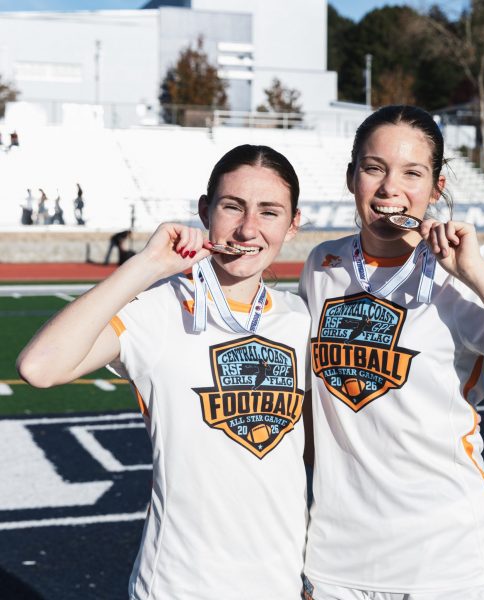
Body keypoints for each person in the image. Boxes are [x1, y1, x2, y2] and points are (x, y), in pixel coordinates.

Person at [299, 105, 484, 600]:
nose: (390, 188)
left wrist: (474, 273)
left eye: (412, 173)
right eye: (374, 168)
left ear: (436, 188)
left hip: (447, 563)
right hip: (336, 565)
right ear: (351, 178)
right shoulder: (322, 265)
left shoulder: (466, 267)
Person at [17, 144, 310, 600]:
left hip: (280, 586)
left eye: (269, 212)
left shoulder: (300, 318)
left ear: (292, 225)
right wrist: (148, 265)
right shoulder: (158, 309)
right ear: (205, 210)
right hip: (179, 585)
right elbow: (40, 367)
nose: (248, 228)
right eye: (232, 207)